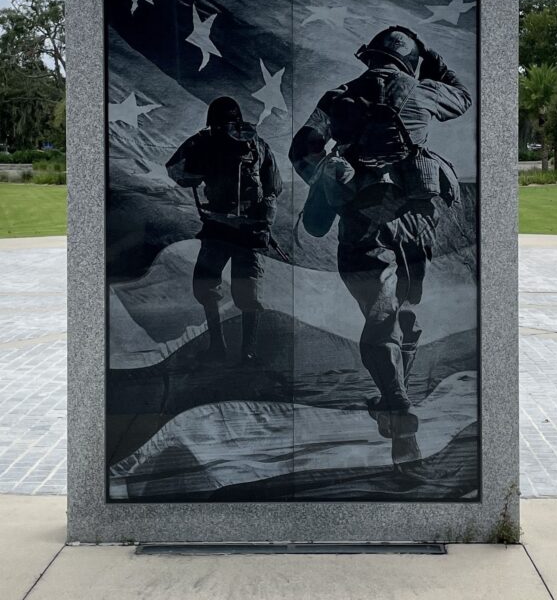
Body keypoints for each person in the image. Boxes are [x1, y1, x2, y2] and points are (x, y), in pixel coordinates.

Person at [289, 26, 471, 461]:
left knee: (379, 315)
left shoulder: (338, 97)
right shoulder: (425, 90)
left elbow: (302, 151)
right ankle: (397, 407)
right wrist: (433, 57)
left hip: (363, 218)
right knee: (403, 310)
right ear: (411, 59)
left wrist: (331, 181)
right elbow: (462, 95)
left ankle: (397, 405)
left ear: (370, 58)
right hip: (416, 219)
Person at [166, 96, 282, 364]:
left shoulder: (205, 142)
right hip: (240, 229)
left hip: (224, 227)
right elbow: (274, 188)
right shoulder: (256, 144)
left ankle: (225, 347)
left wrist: (198, 170)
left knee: (216, 289)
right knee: (239, 290)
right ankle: (242, 350)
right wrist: (265, 219)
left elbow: (176, 171)